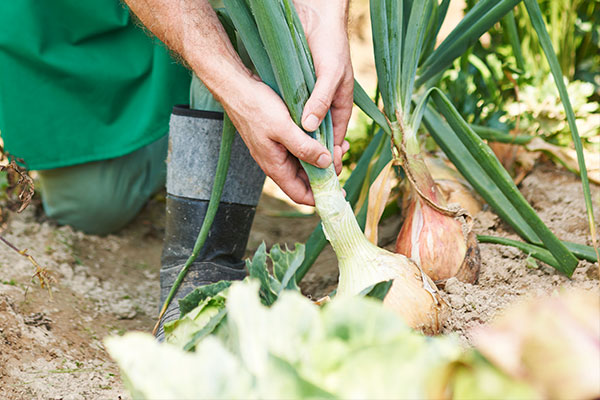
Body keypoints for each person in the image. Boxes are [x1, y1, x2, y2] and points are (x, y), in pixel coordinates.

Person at [2, 0, 354, 338]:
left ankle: (204, 261)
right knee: (94, 203)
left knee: (255, 14)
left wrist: (326, 14)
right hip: (68, 20)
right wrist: (234, 89)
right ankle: (198, 121)